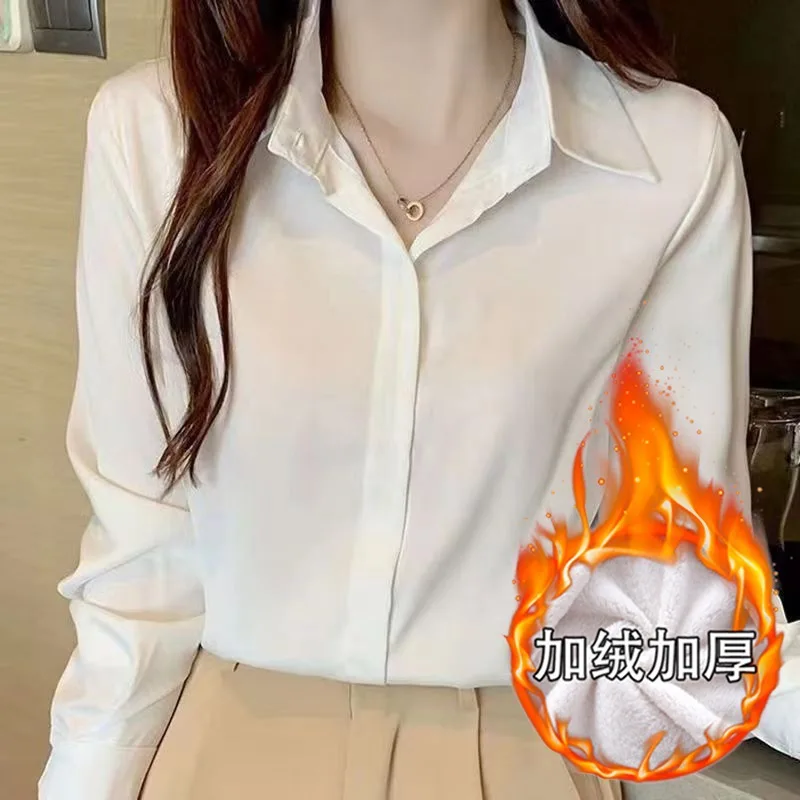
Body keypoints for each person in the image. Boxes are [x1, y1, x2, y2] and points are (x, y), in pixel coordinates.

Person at [38, 0, 764, 798]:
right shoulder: (157, 135)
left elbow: (675, 569)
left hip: (526, 760)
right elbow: (141, 561)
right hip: (224, 754)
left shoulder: (667, 158)